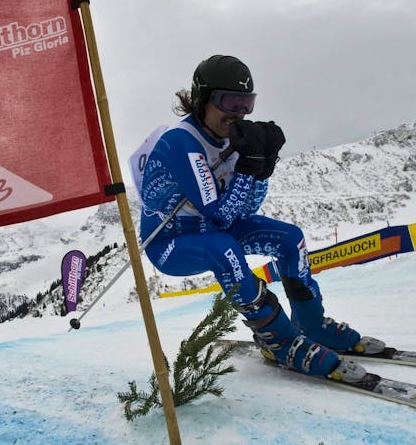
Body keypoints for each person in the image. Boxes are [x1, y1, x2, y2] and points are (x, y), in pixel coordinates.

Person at [139, 55, 387, 382]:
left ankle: (311, 323)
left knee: (290, 239)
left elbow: (245, 211)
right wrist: (248, 167)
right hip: (171, 243)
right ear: (202, 99)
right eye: (230, 101)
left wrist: (262, 169)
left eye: (247, 103)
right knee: (223, 247)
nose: (239, 112)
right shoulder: (181, 142)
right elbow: (221, 215)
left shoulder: (233, 135)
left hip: (215, 229)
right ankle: (279, 342)